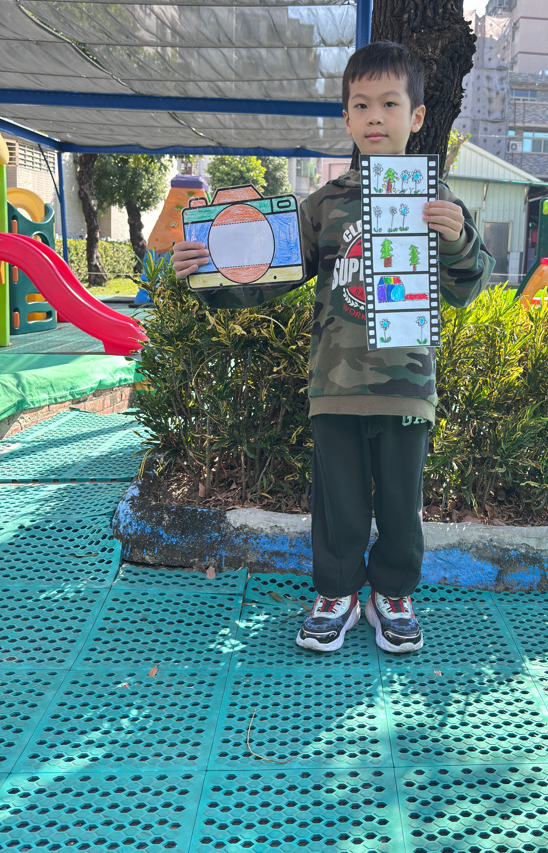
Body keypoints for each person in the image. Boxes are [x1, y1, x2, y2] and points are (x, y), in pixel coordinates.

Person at [172, 41, 494, 654]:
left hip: (407, 384)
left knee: (401, 503)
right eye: (361, 105)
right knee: (337, 501)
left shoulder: (438, 201)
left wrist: (456, 241)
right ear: (346, 118)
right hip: (336, 383)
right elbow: (269, 271)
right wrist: (207, 271)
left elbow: (466, 288)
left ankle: (392, 593)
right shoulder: (323, 205)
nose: (375, 117)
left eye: (390, 104)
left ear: (417, 117)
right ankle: (337, 593)